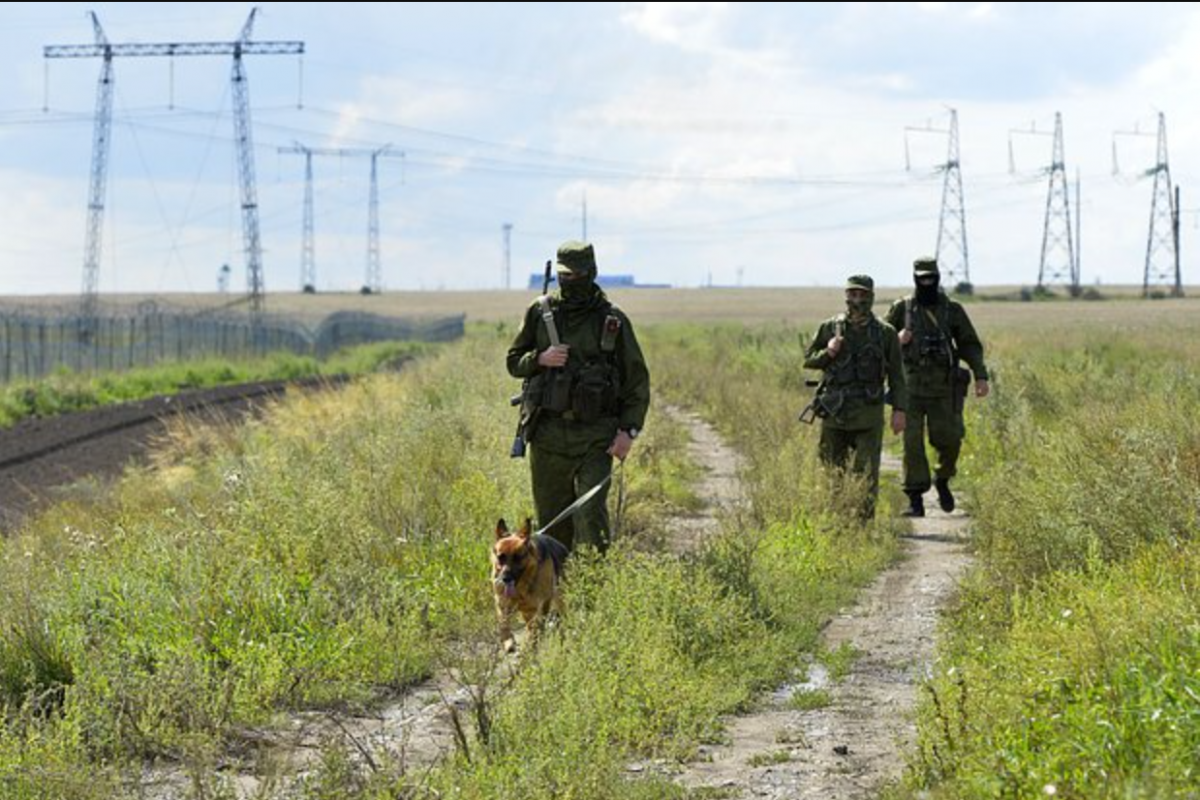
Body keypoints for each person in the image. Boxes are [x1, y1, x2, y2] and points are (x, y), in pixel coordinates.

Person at [506, 240, 650, 553]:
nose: (570, 281)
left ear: (592, 272)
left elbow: (636, 382)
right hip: (548, 435)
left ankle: (594, 591)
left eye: (577, 274)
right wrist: (540, 359)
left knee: (590, 516)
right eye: (564, 276)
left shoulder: (612, 321)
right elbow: (514, 362)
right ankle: (557, 592)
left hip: (596, 437)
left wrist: (628, 431)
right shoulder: (540, 311)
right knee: (553, 524)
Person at [884, 256, 990, 517]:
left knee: (951, 439)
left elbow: (969, 344)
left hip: (944, 388)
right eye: (922, 278)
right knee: (912, 445)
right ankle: (915, 498)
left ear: (938, 277)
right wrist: (898, 339)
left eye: (931, 277)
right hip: (910, 390)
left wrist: (981, 375)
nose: (927, 282)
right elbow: (881, 344)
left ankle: (942, 479)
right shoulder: (902, 309)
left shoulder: (951, 310)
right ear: (914, 278)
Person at [803, 274, 906, 520]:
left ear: (871, 297)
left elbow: (897, 376)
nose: (857, 300)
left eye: (862, 295)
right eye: (852, 294)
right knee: (832, 470)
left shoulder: (885, 333)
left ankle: (862, 524)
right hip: (835, 410)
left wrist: (899, 410)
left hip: (868, 412)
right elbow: (809, 359)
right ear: (846, 296)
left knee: (866, 471)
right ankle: (836, 519)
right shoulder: (830, 327)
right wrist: (828, 351)